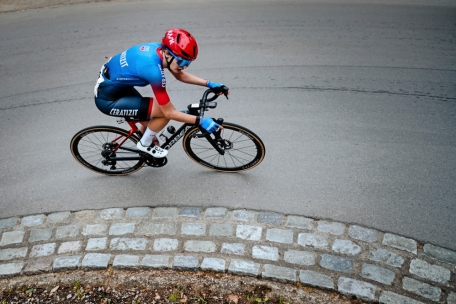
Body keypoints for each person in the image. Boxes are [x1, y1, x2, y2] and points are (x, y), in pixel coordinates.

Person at [94, 28, 229, 158]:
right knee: (163, 114)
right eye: (181, 61)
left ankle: (146, 144)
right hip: (108, 100)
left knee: (151, 116)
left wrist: (209, 84)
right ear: (168, 54)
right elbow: (168, 113)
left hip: (116, 87)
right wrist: (201, 121)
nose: (184, 66)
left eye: (188, 62)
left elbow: (179, 74)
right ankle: (145, 144)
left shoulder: (159, 50)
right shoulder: (153, 70)